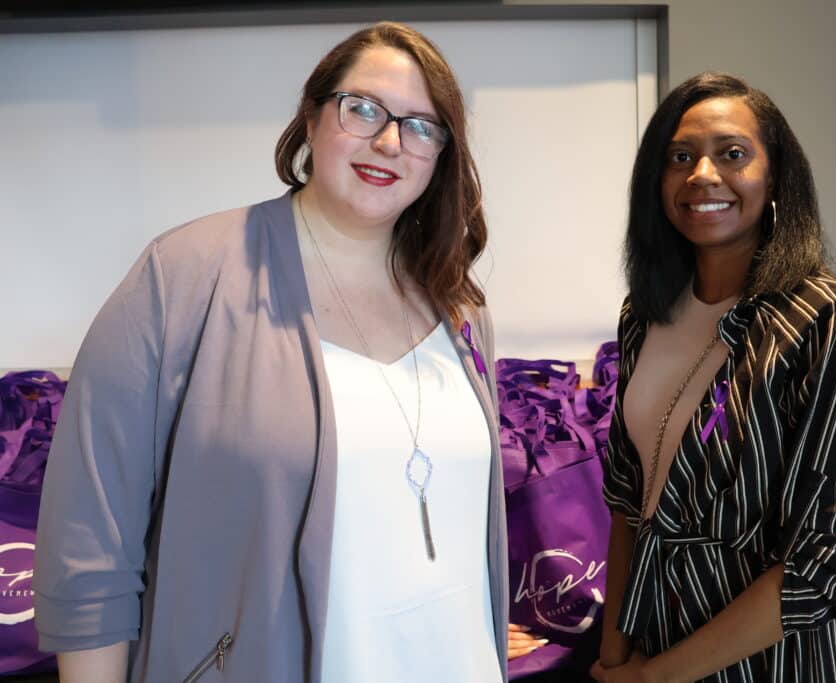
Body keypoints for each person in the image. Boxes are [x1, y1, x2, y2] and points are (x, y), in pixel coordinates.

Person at [33, 22, 509, 683]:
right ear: (312, 118)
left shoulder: (459, 304)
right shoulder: (184, 276)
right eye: (363, 108)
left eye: (422, 125)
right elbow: (90, 536)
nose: (389, 140)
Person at [591, 72, 836, 682]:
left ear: (775, 175)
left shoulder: (825, 316)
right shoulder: (643, 314)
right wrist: (614, 659)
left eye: (732, 154)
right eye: (680, 157)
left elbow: (819, 560)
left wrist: (656, 678)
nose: (703, 175)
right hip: (653, 638)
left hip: (777, 662)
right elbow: (630, 502)